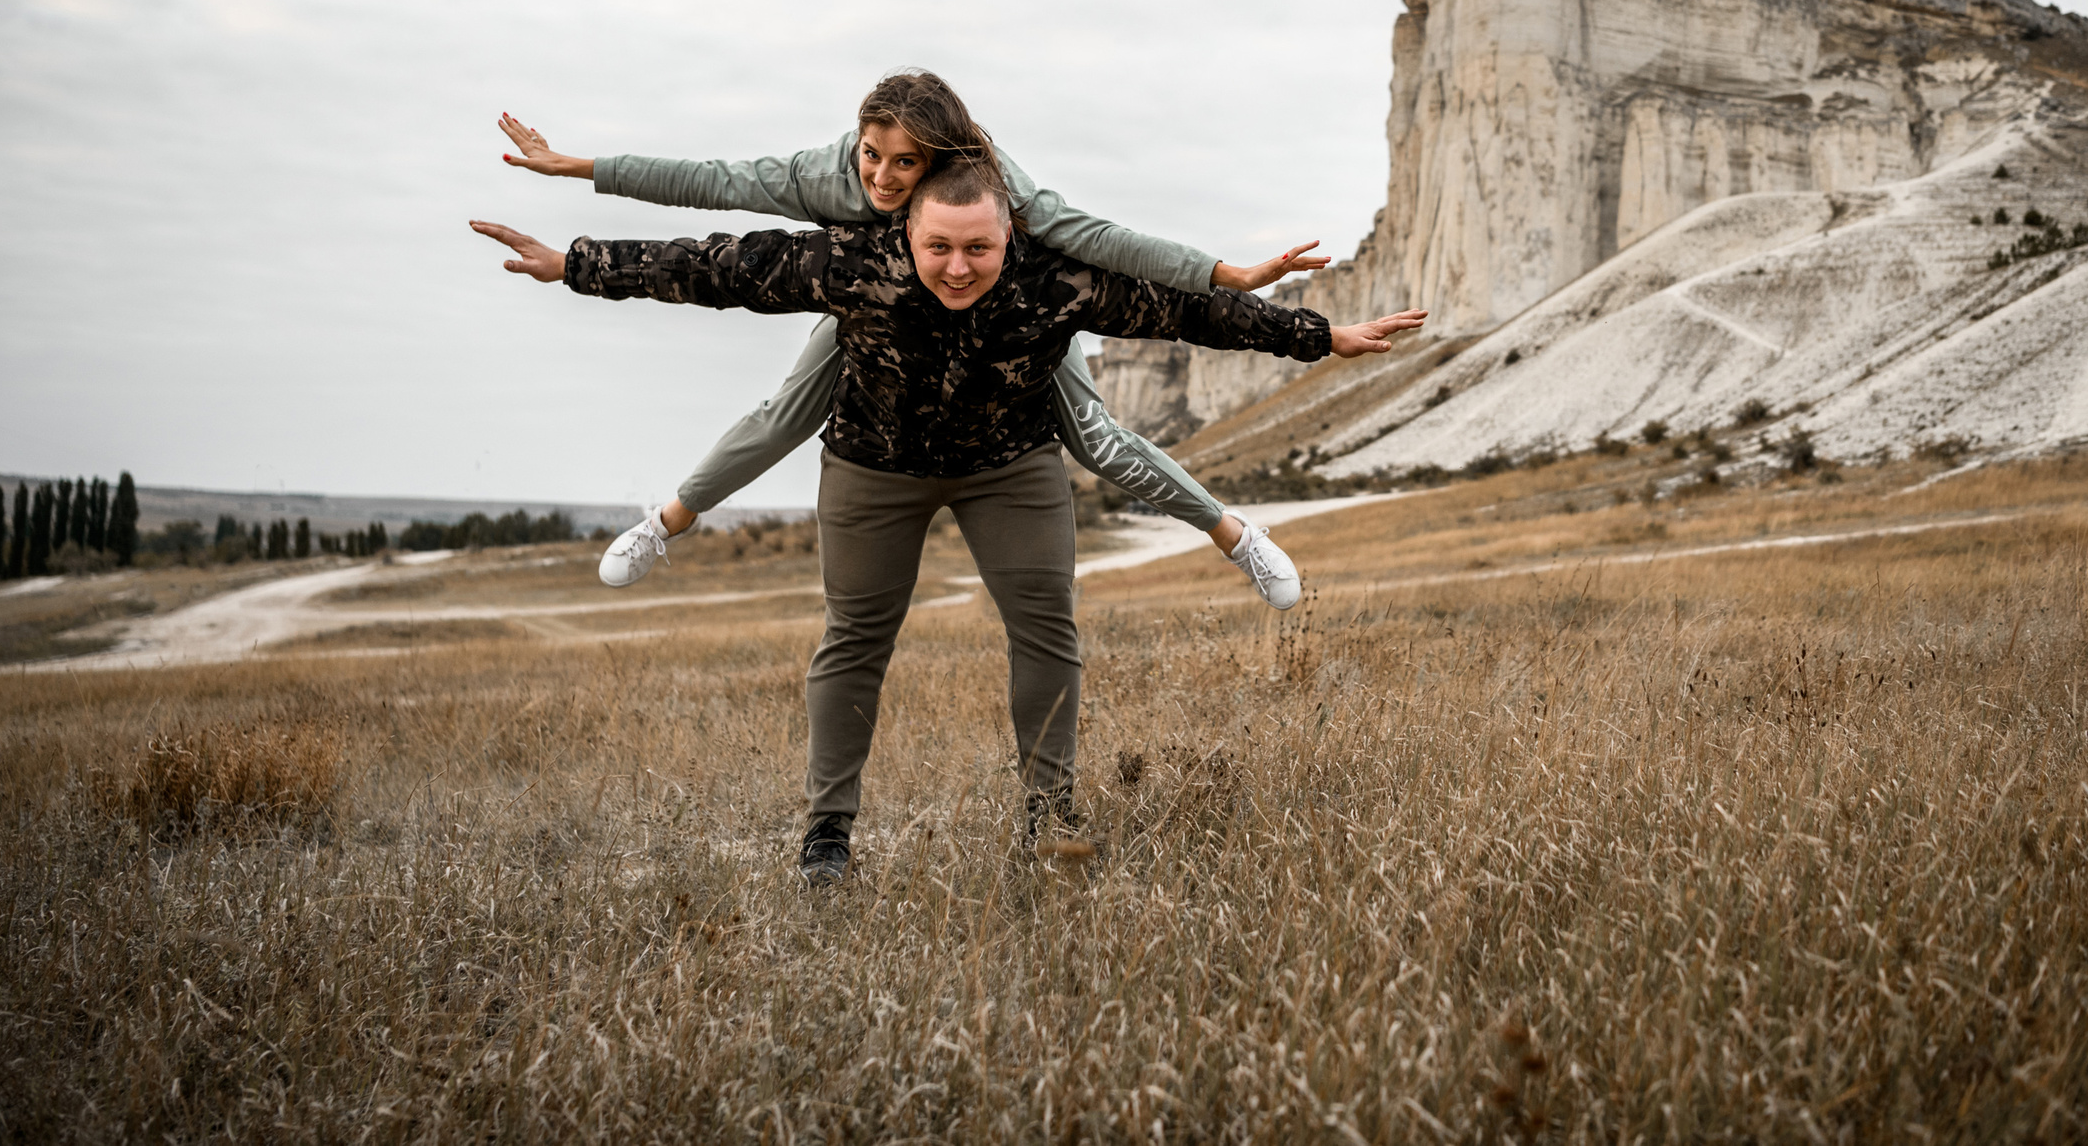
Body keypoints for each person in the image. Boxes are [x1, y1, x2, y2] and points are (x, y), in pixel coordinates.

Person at [470, 155, 1424, 884]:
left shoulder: (1057, 279)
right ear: (907, 233)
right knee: (854, 638)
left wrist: (1319, 335)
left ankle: (1049, 820)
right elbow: (716, 265)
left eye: (980, 247)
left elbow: (1190, 312)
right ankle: (827, 835)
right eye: (939, 247)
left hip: (1008, 467)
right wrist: (574, 266)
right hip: (872, 467)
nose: (959, 266)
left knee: (1046, 630)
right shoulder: (853, 260)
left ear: (1012, 235)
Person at [496, 71, 1330, 607]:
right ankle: (664, 524)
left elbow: (1106, 240)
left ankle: (1236, 536)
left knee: (1099, 439)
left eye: (907, 164)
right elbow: (710, 191)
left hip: (1015, 315)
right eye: (874, 157)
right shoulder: (827, 177)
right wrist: (577, 175)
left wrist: (1231, 275)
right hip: (880, 304)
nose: (886, 178)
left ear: (945, 158)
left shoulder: (1005, 190)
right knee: (786, 413)